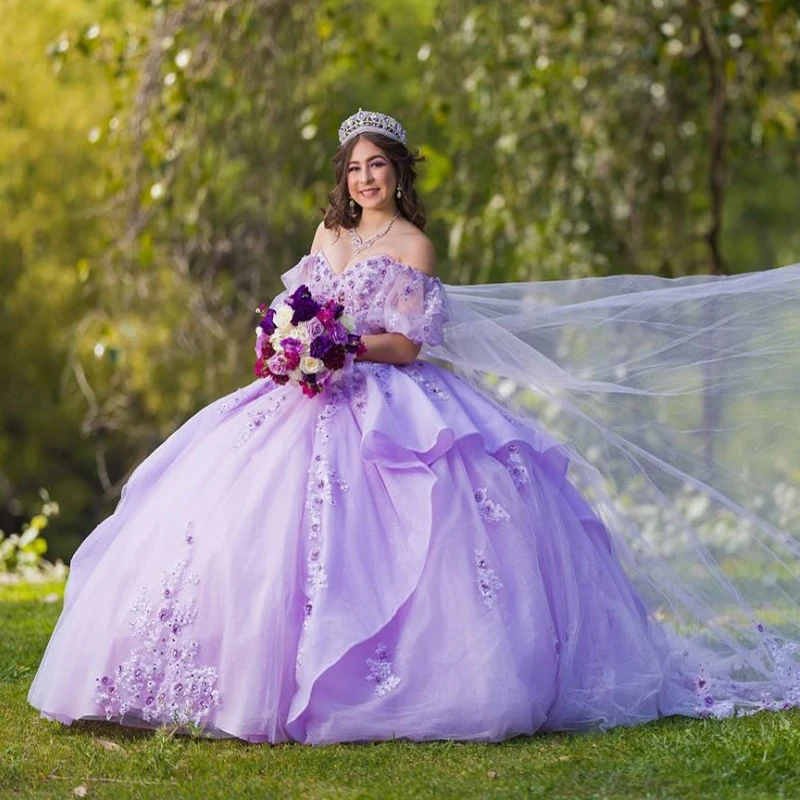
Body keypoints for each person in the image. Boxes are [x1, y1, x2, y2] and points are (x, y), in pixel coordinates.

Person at [28, 109, 800, 745]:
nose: (367, 179)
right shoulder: (327, 238)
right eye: (356, 167)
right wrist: (284, 346)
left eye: (379, 166)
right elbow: (296, 305)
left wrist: (340, 345)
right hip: (302, 398)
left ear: (398, 172)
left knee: (418, 530)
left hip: (388, 393)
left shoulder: (413, 245)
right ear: (345, 177)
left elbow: (406, 342)